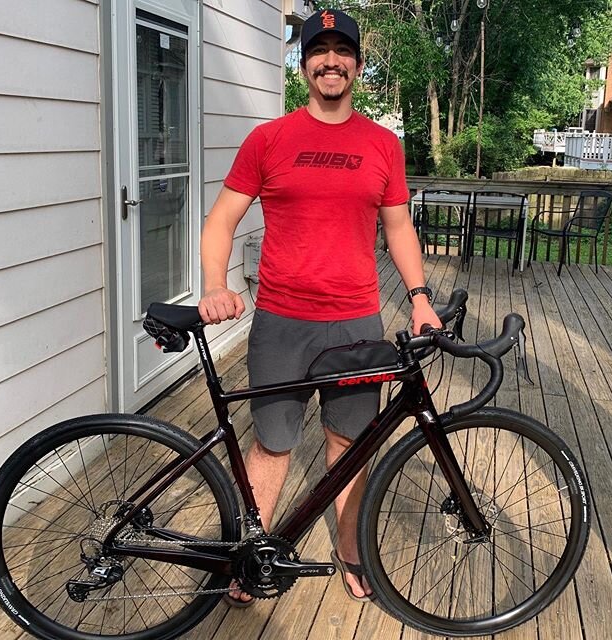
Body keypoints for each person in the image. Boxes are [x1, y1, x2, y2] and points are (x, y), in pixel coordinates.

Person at [198, 9, 441, 605]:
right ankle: (249, 557)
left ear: (357, 63)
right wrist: (213, 284)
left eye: (342, 50)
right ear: (303, 62)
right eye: (319, 50)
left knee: (349, 445)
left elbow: (399, 227)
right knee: (272, 444)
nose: (331, 60)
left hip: (356, 321)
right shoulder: (269, 139)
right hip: (281, 321)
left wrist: (419, 298)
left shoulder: (383, 144)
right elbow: (221, 220)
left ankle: (352, 553)